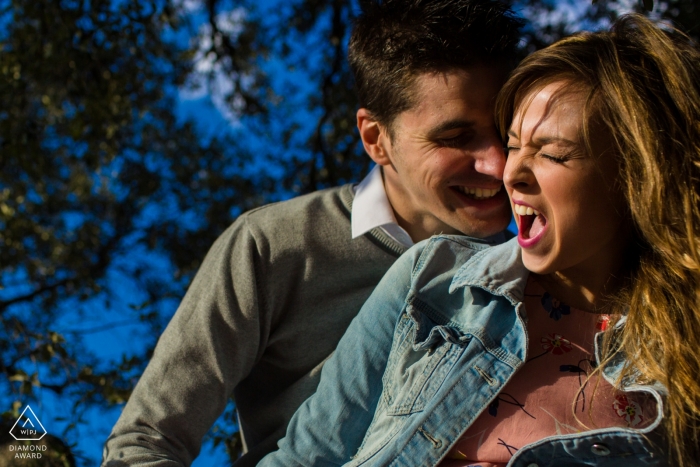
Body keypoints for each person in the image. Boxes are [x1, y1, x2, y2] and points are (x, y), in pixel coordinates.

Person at [259, 14, 700, 467]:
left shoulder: (683, 355)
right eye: (514, 146)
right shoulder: (432, 278)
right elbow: (307, 457)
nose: (511, 173)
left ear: (637, 178)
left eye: (551, 153)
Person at [101, 1, 524, 466]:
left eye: (505, 130)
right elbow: (143, 444)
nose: (498, 164)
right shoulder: (275, 245)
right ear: (375, 138)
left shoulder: (537, 268)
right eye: (455, 137)